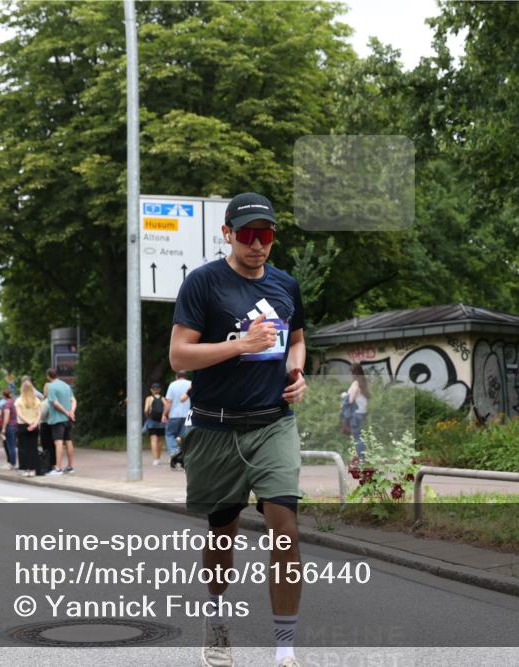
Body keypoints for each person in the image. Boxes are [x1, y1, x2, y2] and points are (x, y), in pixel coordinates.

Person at [169, 192, 308, 667]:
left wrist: (297, 373)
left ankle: (285, 650)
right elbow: (179, 356)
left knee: (285, 531)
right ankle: (218, 616)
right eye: (247, 234)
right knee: (222, 533)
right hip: (215, 428)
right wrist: (241, 345)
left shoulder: (286, 284)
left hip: (273, 425)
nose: (257, 244)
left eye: (265, 234)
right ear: (227, 234)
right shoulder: (203, 284)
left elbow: (298, 339)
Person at [44, 368, 76, 475]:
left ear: (48, 376)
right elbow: (74, 400)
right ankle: (70, 466)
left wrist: (67, 412)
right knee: (69, 441)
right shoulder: (66, 385)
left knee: (58, 443)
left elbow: (55, 403)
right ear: (56, 375)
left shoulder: (51, 387)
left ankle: (58, 468)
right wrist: (72, 412)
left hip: (57, 419)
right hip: (68, 420)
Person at [163, 370, 192, 469]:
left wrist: (164, 414)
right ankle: (183, 456)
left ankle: (175, 452)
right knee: (183, 437)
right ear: (185, 376)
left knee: (170, 434)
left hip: (174, 415)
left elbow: (168, 401)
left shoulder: (172, 385)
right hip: (188, 416)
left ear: (176, 376)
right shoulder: (191, 384)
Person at [343, 362, 370, 463]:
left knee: (357, 437)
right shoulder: (363, 382)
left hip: (356, 413)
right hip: (362, 412)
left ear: (354, 372)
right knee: (360, 436)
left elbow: (351, 400)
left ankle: (362, 460)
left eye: (351, 372)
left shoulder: (355, 383)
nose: (351, 375)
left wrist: (344, 395)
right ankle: (363, 458)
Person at [14, 380, 41, 478]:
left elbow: (19, 414)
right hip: (34, 425)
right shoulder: (36, 400)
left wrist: (28, 423)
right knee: (33, 447)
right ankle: (33, 469)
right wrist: (34, 423)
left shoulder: (18, 400)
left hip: (23, 426)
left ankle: (26, 469)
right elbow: (39, 414)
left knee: (23, 448)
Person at [144, 382, 167, 465]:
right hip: (161, 421)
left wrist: (147, 416)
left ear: (151, 390)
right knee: (160, 440)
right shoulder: (163, 398)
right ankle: (159, 457)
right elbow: (166, 408)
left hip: (152, 421)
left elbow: (146, 410)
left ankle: (155, 459)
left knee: (154, 440)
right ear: (159, 390)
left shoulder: (149, 398)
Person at [0, 389, 18, 470]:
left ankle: (12, 464)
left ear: (3, 396)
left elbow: (6, 417)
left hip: (9, 427)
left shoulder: (7, 404)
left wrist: (3, 428)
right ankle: (12, 463)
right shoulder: (14, 402)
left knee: (10, 446)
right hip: (15, 426)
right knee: (12, 446)